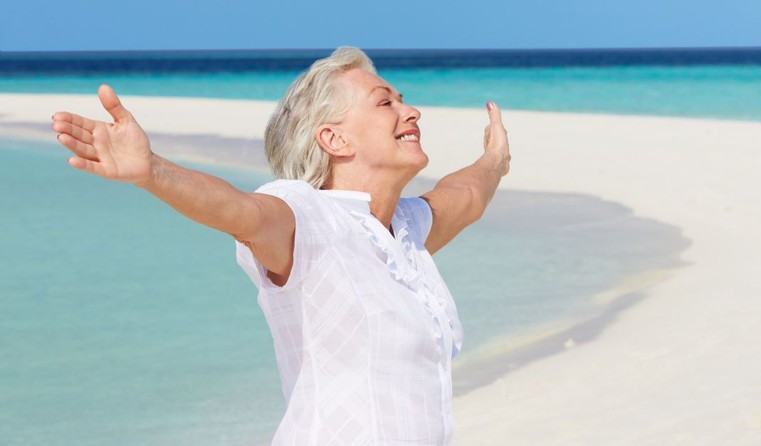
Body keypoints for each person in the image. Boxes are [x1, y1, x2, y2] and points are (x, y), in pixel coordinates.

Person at [51, 47, 510, 445]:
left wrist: (493, 161)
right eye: (385, 102)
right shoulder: (306, 216)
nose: (411, 113)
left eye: (403, 100)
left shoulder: (405, 229)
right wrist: (153, 171)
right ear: (334, 138)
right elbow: (237, 211)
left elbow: (465, 198)